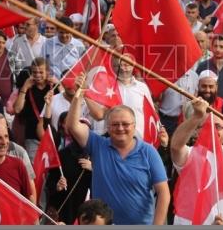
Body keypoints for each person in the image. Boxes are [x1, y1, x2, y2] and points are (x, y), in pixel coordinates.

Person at [66, 94, 169, 225]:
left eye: (125, 124)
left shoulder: (149, 152)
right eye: (115, 124)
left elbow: (163, 193)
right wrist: (78, 97)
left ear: (134, 126)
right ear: (108, 127)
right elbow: (72, 126)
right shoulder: (97, 145)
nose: (120, 128)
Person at [0, 121, 35, 203]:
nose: (4, 142)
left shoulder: (18, 164)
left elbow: (29, 198)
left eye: (6, 137)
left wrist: (33, 215)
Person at [195, 35, 223, 100]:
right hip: (207, 104)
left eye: (221, 47)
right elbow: (196, 87)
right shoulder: (203, 66)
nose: (218, 49)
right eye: (215, 46)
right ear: (211, 47)